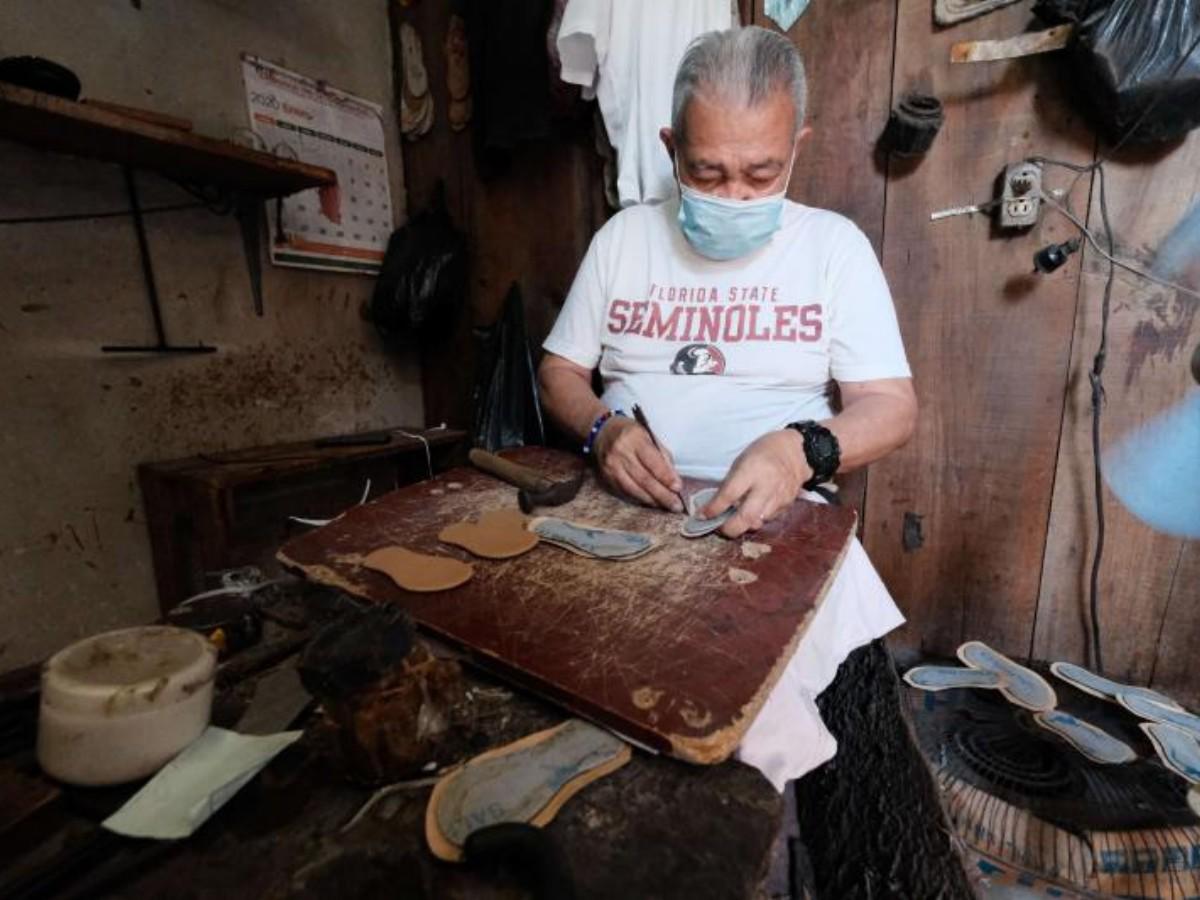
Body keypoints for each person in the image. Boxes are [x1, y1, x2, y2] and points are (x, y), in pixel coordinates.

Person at [538, 25, 917, 789]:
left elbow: (891, 406)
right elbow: (559, 372)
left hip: (772, 525)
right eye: (707, 173)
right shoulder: (623, 239)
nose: (735, 196)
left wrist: (801, 449)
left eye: (760, 172)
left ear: (797, 147)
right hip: (623, 510)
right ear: (670, 145)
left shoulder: (833, 248)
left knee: (736, 724)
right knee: (573, 688)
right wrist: (602, 430)